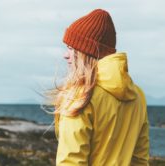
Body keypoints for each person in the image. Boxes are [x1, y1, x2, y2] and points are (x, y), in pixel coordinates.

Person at [52, 9, 150, 165]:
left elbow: (71, 161)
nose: (66, 55)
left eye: (71, 48)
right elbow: (140, 159)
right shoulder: (137, 96)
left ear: (85, 51)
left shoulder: (81, 96)